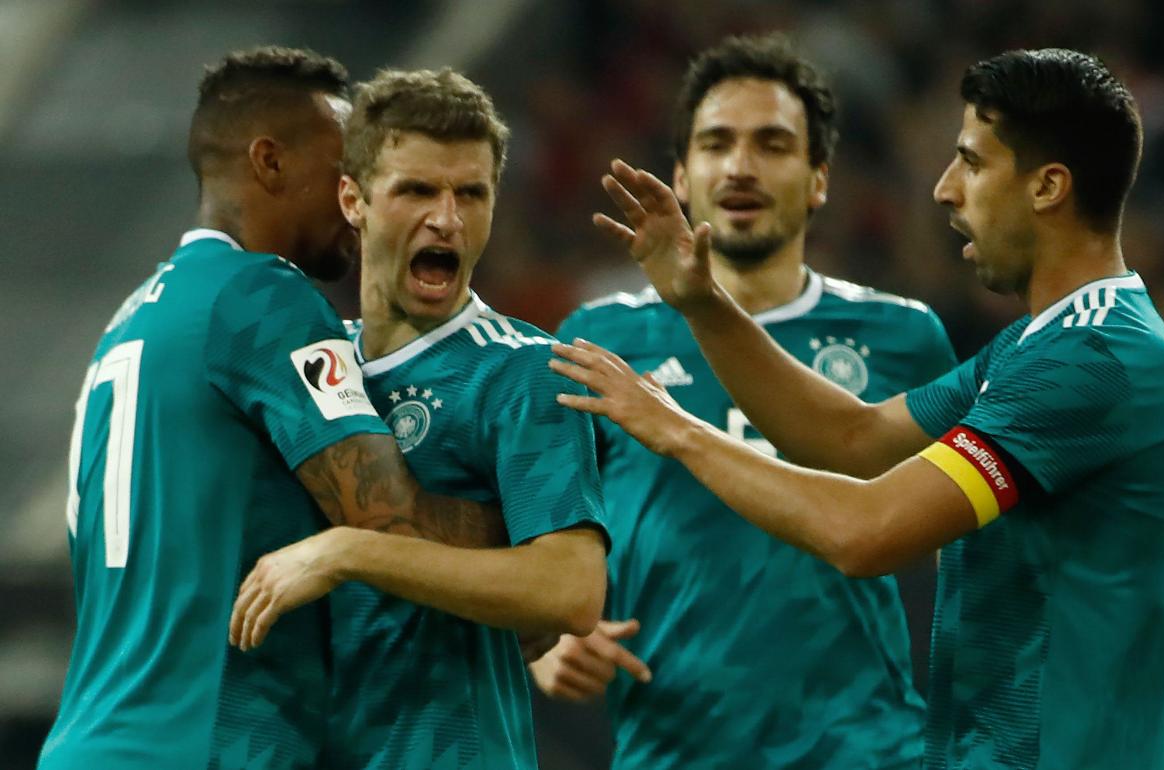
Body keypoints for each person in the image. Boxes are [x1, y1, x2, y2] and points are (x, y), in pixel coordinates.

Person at [553, 48, 1164, 769]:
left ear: (1047, 186)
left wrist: (675, 429)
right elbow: (855, 437)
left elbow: (866, 531)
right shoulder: (1038, 344)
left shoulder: (1090, 354)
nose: (945, 190)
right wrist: (703, 303)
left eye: (971, 163)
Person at [41, 47, 505, 770]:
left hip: (92, 740)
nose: (355, 194)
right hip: (205, 745)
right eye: (342, 166)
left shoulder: (132, 323)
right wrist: (541, 527)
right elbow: (392, 522)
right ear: (270, 162)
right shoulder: (261, 297)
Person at [529, 34, 954, 770]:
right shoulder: (599, 339)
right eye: (716, 143)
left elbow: (970, 552)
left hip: (866, 748)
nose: (740, 166)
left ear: (819, 179)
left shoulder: (903, 337)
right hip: (672, 748)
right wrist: (545, 639)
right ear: (681, 175)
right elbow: (532, 527)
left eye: (772, 144)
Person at [228, 68, 609, 770]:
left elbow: (571, 590)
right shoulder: (307, 369)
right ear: (354, 199)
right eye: (417, 191)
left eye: (472, 193)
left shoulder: (520, 371)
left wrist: (349, 552)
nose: (448, 219)